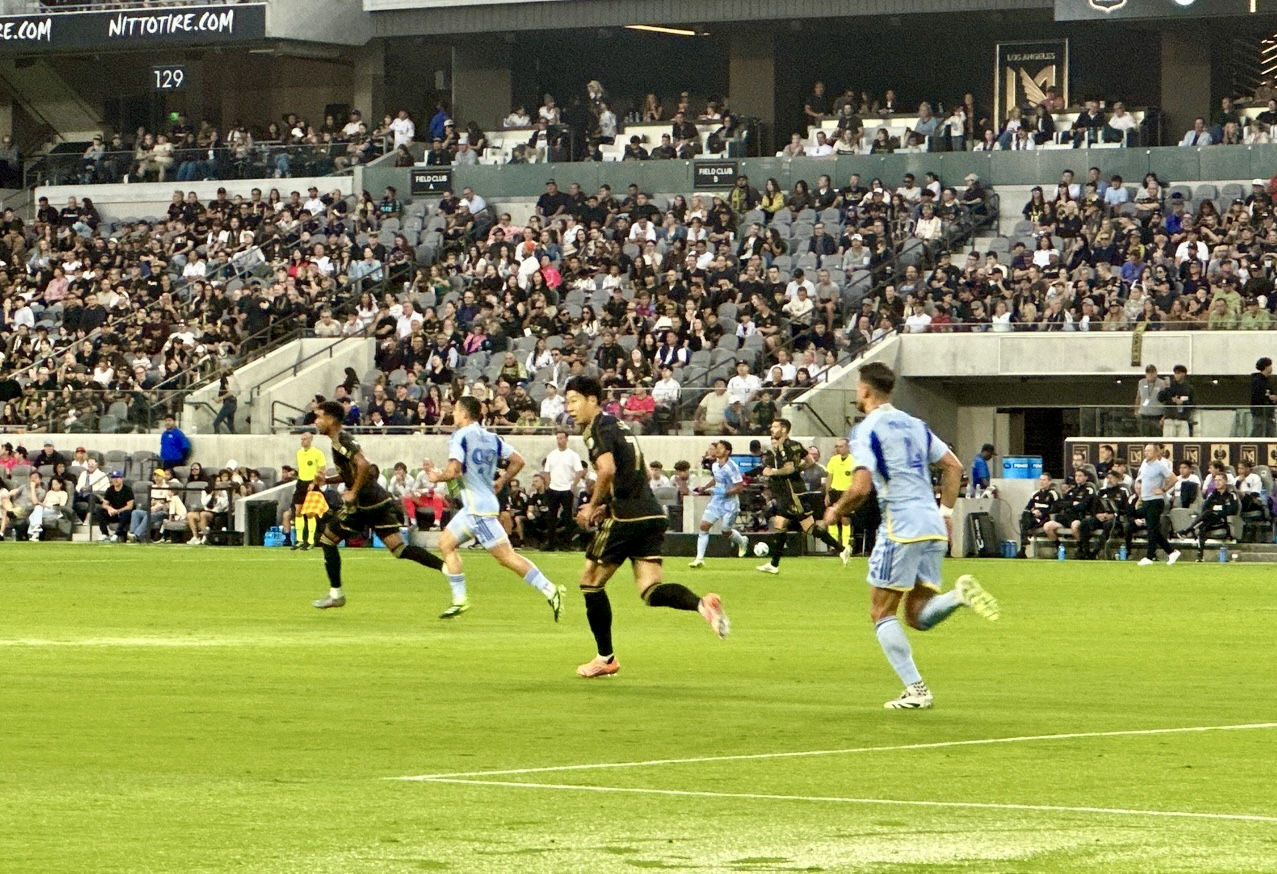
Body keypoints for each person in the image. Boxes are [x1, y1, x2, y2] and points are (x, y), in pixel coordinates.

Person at [823, 362, 999, 710]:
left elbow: (859, 487)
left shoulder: (866, 429)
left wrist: (836, 510)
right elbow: (954, 466)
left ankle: (916, 689)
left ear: (864, 390)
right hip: (932, 524)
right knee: (916, 616)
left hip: (900, 526)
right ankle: (958, 596)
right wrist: (946, 514)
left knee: (880, 612)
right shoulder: (917, 425)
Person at [564, 375, 729, 679]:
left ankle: (606, 658)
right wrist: (605, 505)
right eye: (566, 402)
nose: (569, 408)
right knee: (651, 590)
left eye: (574, 400)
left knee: (590, 581)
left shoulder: (595, 428)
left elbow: (607, 470)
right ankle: (701, 604)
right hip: (651, 514)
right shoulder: (618, 424)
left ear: (592, 400)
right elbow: (625, 472)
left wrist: (591, 505)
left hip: (626, 517)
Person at [424, 396, 565, 620]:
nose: (453, 414)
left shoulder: (460, 436)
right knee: (446, 543)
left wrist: (435, 476)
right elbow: (518, 460)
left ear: (464, 413)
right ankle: (460, 600)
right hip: (474, 506)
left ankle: (550, 589)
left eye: (456, 410)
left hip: (479, 511)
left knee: (505, 557)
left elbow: (454, 472)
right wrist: (502, 480)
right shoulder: (492, 437)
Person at [309, 400, 445, 609]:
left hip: (363, 504)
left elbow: (364, 465)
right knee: (399, 549)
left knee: (327, 540)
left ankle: (336, 594)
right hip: (378, 501)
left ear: (330, 418)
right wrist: (327, 480)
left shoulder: (341, 441)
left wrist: (353, 492)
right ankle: (447, 567)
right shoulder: (341, 440)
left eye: (319, 416)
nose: (316, 421)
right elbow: (355, 471)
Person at [755, 418, 849, 574]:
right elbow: (810, 461)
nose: (771, 429)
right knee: (780, 524)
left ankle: (842, 549)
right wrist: (798, 470)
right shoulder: (795, 445)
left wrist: (773, 472)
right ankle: (774, 564)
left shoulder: (785, 447)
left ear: (784, 430)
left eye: (775, 426)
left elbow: (789, 468)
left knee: (809, 527)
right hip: (790, 492)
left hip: (793, 493)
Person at [688, 440, 750, 568]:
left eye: (720, 448)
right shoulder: (715, 465)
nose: (716, 450)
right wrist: (704, 488)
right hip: (716, 502)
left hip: (730, 503)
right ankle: (699, 559)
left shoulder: (732, 468)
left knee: (725, 531)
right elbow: (716, 478)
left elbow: (739, 488)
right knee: (704, 526)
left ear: (727, 452)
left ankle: (742, 540)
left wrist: (723, 491)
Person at [1133, 443, 1181, 567]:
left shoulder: (1160, 466)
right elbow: (1143, 481)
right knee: (1153, 529)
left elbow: (1174, 478)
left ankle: (1149, 556)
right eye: (1145, 451)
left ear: (1155, 453)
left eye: (1149, 451)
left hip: (1156, 500)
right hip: (1146, 499)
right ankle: (1171, 552)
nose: (1146, 453)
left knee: (1152, 529)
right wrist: (1140, 498)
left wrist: (1163, 489)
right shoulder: (1145, 464)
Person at [1179, 472, 1239, 561]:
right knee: (1203, 526)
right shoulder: (1213, 494)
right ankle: (1200, 555)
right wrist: (1216, 509)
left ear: (1226, 481)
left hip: (1222, 520)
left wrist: (1218, 512)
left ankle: (1187, 530)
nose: (1217, 482)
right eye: (1216, 480)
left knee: (1207, 514)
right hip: (1210, 519)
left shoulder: (1231, 494)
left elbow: (1233, 509)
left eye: (1220, 480)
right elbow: (1205, 507)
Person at [1077, 469, 1132, 560]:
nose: (1109, 480)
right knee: (1085, 523)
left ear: (1118, 479)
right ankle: (1085, 551)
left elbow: (1126, 509)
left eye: (1112, 478)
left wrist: (1113, 515)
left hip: (1115, 520)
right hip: (1100, 518)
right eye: (1108, 478)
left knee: (1108, 525)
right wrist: (1098, 515)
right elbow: (1093, 507)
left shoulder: (1122, 492)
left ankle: (1095, 552)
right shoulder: (1101, 492)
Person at [542, 430, 583, 550]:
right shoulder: (552, 455)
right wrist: (548, 484)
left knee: (567, 517)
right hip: (554, 488)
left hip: (566, 489)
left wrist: (573, 484)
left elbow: (579, 471)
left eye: (561, 438)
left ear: (566, 439)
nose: (559, 441)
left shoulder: (573, 455)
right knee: (551, 517)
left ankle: (567, 543)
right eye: (558, 438)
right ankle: (551, 543)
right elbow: (547, 471)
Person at [290, 432, 327, 550]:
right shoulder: (299, 453)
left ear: (310, 440)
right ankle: (299, 540)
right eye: (301, 439)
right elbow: (301, 468)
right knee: (298, 511)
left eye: (305, 439)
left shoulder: (317, 453)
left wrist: (314, 482)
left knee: (310, 513)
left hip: (312, 484)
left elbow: (322, 470)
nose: (302, 441)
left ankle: (310, 540)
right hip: (301, 483)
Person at [1017, 472, 1060, 558]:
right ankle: (1023, 546)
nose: (1041, 482)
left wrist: (1041, 513)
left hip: (1045, 517)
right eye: (1040, 480)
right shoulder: (1035, 494)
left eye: (1044, 480)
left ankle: (1023, 548)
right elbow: (1028, 507)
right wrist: (1033, 512)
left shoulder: (1052, 493)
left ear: (1049, 481)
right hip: (1033, 517)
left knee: (1025, 523)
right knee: (1025, 516)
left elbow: (1057, 508)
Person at [824, 438, 856, 548]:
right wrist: (827, 493)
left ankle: (845, 545)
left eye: (841, 446)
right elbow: (829, 477)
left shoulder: (854, 461)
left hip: (846, 493)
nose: (838, 449)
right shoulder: (833, 460)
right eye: (836, 446)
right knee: (832, 519)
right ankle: (834, 546)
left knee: (845, 519)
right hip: (834, 492)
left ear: (847, 447)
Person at [96, 471, 135, 543]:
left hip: (123, 513)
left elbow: (129, 506)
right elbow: (105, 504)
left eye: (117, 478)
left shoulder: (127, 490)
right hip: (113, 513)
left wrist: (117, 511)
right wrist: (109, 509)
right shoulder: (110, 489)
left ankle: (117, 534)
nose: (115, 480)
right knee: (99, 510)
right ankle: (105, 534)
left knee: (127, 512)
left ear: (121, 479)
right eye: (113, 478)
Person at [297, 472, 332, 552]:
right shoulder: (306, 486)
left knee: (311, 515)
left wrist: (314, 482)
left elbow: (319, 477)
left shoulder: (322, 488)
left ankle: (311, 540)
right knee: (306, 515)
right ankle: (308, 540)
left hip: (322, 503)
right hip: (311, 500)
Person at [1250, 357, 1276, 438]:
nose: (1271, 368)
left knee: (1271, 432)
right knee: (1258, 431)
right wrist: (1269, 398)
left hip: (1268, 413)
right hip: (1260, 412)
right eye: (1270, 366)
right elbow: (1257, 396)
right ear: (1266, 367)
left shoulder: (1267, 381)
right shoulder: (1257, 381)